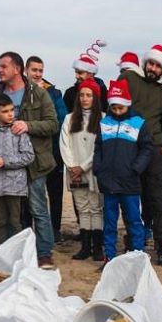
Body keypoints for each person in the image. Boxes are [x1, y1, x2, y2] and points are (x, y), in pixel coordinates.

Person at [0, 51, 59, 268]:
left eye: (3, 66)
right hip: (7, 166)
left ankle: (44, 254)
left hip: (35, 162)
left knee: (37, 208)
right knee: (14, 213)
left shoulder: (38, 93)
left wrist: (29, 125)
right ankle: (15, 253)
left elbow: (53, 124)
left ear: (16, 69)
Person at [126, 44, 162, 265]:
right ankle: (133, 243)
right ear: (145, 63)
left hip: (155, 149)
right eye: (151, 63)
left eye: (158, 65)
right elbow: (116, 105)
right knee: (129, 198)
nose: (153, 68)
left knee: (158, 199)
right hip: (129, 146)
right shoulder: (129, 79)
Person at [95, 80, 152, 263]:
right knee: (109, 222)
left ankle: (137, 257)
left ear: (127, 105)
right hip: (108, 181)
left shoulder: (139, 123)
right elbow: (98, 149)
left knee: (134, 220)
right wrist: (98, 169)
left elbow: (146, 149)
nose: (117, 111)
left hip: (129, 181)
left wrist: (136, 168)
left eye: (120, 108)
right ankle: (109, 257)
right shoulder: (104, 123)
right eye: (114, 108)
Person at [25, 56, 68, 246]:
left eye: (40, 70)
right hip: (29, 152)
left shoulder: (54, 92)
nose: (37, 74)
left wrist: (45, 95)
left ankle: (55, 229)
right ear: (26, 71)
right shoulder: (21, 92)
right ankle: (29, 231)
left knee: (55, 192)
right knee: (31, 195)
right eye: (34, 70)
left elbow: (61, 118)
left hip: (53, 151)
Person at [0, 94, 35, 245]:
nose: (10, 114)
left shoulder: (18, 132)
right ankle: (1, 253)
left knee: (15, 222)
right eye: (5, 111)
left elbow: (29, 156)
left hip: (15, 187)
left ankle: (16, 253)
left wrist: (5, 161)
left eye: (12, 110)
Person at [60, 79, 104, 260]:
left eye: (89, 95)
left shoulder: (103, 118)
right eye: (82, 95)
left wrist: (83, 166)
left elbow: (99, 148)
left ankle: (98, 248)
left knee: (96, 208)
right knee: (82, 208)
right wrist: (72, 167)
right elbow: (64, 143)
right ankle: (85, 247)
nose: (85, 99)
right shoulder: (69, 119)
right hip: (74, 172)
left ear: (95, 97)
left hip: (93, 170)